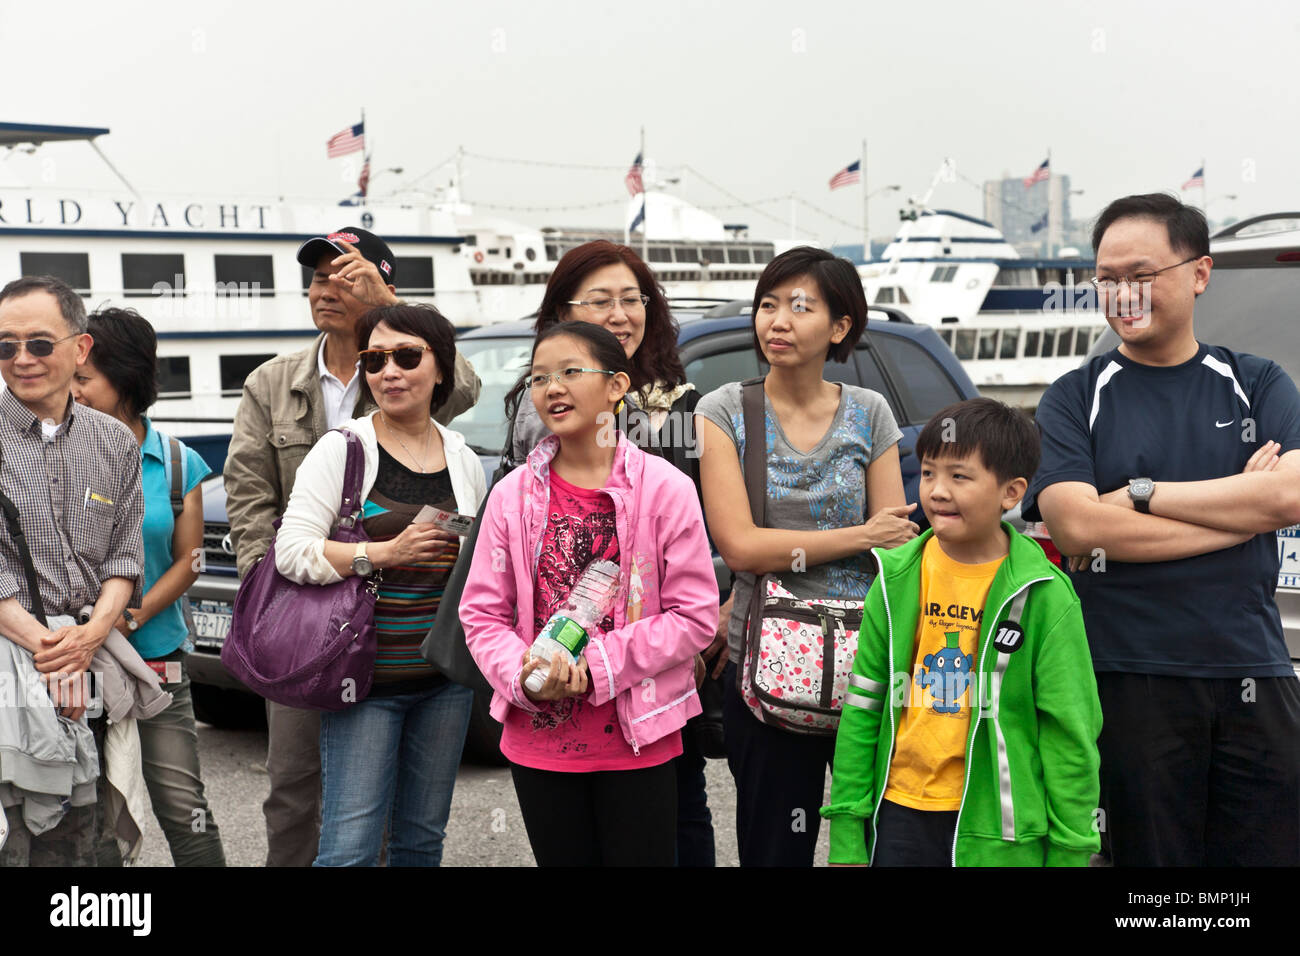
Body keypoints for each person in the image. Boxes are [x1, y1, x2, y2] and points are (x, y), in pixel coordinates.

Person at [1023, 193, 1300, 866]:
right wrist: (1242, 510)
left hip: (1253, 668)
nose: (1122, 293)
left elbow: (1289, 494)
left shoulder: (1255, 382)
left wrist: (1143, 496)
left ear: (1198, 274)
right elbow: (1078, 525)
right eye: (1108, 278)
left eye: (1140, 275)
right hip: (1128, 674)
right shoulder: (1074, 395)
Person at [224, 226, 481, 867]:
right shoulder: (273, 381)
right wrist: (277, 600)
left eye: (346, 277)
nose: (328, 290)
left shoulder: (406, 377)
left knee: (411, 828)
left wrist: (387, 306)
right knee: (295, 788)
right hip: (306, 617)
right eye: (317, 279)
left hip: (417, 654)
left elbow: (458, 381)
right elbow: (250, 494)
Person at [461, 320, 718, 866]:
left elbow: (695, 616)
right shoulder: (510, 496)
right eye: (538, 377)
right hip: (538, 740)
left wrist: (600, 665)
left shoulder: (666, 488)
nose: (552, 387)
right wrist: (527, 674)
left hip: (639, 740)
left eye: (570, 372)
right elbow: (481, 614)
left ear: (617, 386)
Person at [695, 245, 917, 867]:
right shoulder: (723, 412)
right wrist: (858, 536)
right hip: (763, 667)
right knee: (775, 845)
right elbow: (739, 544)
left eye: (799, 306)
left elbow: (896, 540)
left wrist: (873, 536)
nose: (778, 321)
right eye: (768, 305)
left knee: (875, 839)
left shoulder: (868, 412)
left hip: (868, 662)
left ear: (840, 326)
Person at [822, 397, 1102, 866]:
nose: (937, 491)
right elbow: (863, 706)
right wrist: (848, 831)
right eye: (929, 473)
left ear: (1011, 493)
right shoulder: (894, 578)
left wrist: (1072, 851)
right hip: (900, 813)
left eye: (959, 476)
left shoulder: (1046, 595)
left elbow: (1070, 731)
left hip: (998, 830)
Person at [274, 303, 485, 866]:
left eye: (407, 356)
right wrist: (382, 553)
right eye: (374, 359)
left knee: (421, 842)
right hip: (363, 681)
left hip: (444, 680)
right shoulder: (343, 448)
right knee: (350, 850)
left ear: (441, 368)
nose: (388, 371)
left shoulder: (462, 457)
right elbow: (291, 552)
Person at [70, 307, 227, 867]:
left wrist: (131, 617)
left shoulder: (180, 462)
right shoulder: (59, 458)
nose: (74, 391)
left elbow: (189, 559)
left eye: (83, 378)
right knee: (92, 813)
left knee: (185, 807)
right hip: (78, 667)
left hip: (160, 660)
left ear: (126, 378)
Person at [0, 276, 145, 866]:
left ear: (80, 349)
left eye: (39, 343)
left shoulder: (115, 441)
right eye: (4, 346)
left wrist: (84, 642)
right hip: (13, 670)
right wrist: (53, 651)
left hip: (89, 669)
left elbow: (123, 559)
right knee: (14, 837)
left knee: (81, 842)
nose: (21, 359)